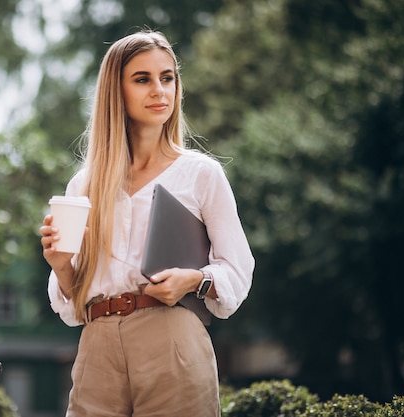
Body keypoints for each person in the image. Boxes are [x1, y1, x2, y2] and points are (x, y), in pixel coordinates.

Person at [39, 30, 254, 417]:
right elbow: (74, 304)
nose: (159, 90)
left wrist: (194, 280)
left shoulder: (201, 173)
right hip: (97, 344)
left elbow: (236, 271)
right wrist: (60, 265)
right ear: (115, 92)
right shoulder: (85, 184)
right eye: (143, 79)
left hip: (171, 336)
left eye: (167, 77)